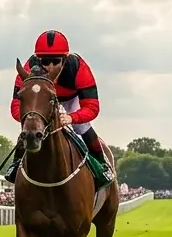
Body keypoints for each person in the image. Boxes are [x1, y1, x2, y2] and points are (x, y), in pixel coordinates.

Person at [8, 30, 109, 182]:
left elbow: (92, 107)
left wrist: (71, 117)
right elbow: (16, 105)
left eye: (55, 61)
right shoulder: (28, 69)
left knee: (82, 128)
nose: (50, 66)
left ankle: (102, 165)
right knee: (29, 128)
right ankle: (16, 164)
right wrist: (31, 117)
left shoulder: (78, 67)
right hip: (41, 101)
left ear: (65, 58)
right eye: (45, 61)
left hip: (70, 100)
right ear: (37, 59)